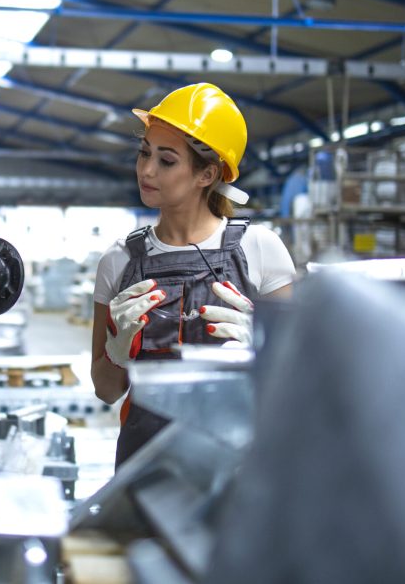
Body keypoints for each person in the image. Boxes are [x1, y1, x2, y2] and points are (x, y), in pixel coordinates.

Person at [90, 82, 296, 468]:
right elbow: (105, 390)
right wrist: (117, 353)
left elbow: (296, 392)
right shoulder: (118, 261)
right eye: (144, 153)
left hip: (235, 469)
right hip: (143, 467)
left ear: (207, 174)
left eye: (166, 161)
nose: (146, 170)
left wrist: (264, 352)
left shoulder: (261, 250)